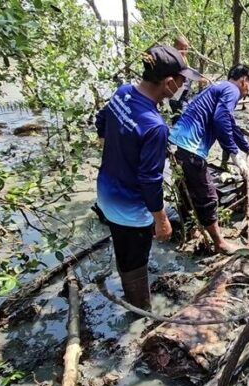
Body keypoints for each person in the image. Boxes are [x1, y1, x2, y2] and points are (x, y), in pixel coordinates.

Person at [95, 45, 202, 310]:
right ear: (167, 83)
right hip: (130, 209)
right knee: (136, 261)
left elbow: (101, 121)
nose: (181, 85)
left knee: (124, 251)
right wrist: (161, 219)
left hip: (106, 194)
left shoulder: (122, 93)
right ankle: (141, 313)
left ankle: (131, 295)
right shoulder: (155, 127)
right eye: (181, 80)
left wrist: (118, 150)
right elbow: (150, 179)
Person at [169, 64, 249, 255]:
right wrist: (234, 154)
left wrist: (245, 147)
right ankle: (219, 243)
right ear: (244, 80)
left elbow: (230, 123)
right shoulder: (232, 89)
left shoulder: (220, 88)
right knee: (209, 196)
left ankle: (189, 233)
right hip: (191, 146)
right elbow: (220, 119)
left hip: (177, 142)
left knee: (186, 189)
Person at [169, 36, 193, 124]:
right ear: (175, 47)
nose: (183, 51)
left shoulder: (184, 58)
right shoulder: (173, 60)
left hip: (185, 95)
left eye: (185, 49)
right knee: (178, 119)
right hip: (176, 96)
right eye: (181, 48)